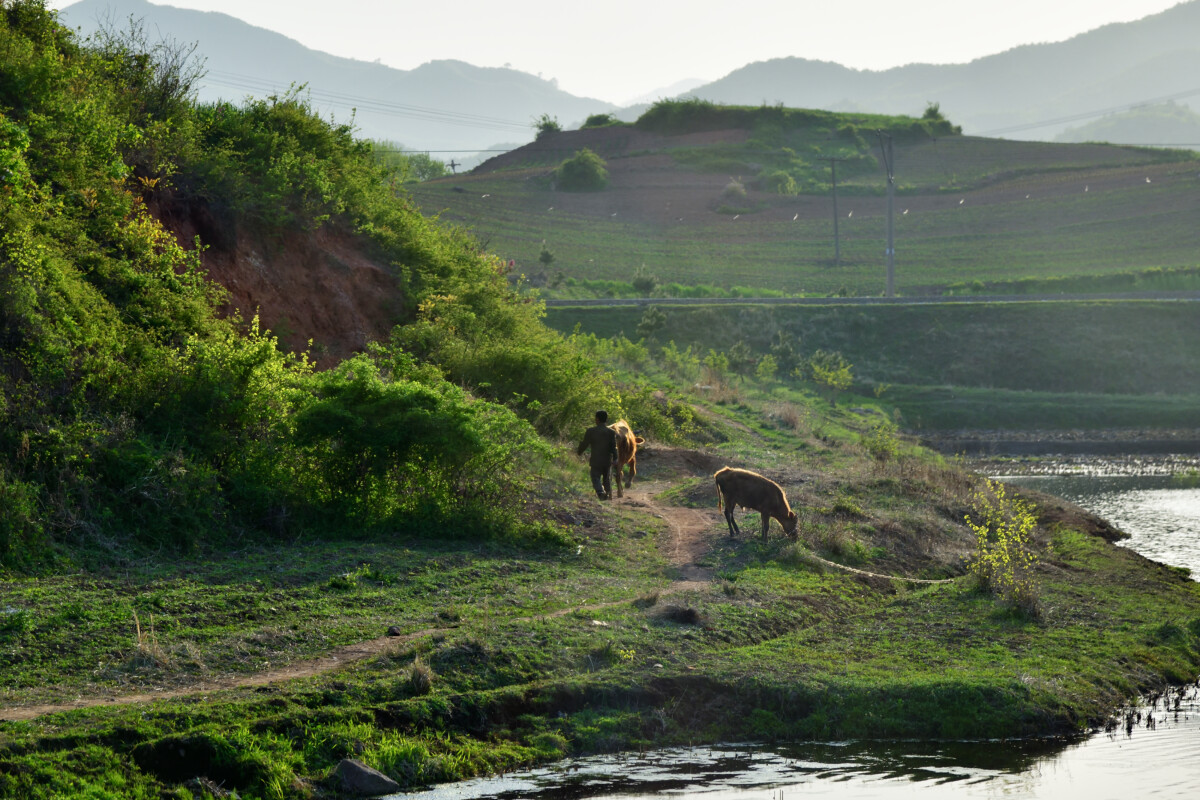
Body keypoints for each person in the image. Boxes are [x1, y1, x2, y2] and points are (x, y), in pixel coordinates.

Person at [576, 409, 618, 500]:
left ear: (597, 419)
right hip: (607, 460)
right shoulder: (611, 432)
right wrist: (615, 458)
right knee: (606, 478)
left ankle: (600, 492)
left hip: (596, 459)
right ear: (606, 419)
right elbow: (613, 447)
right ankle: (607, 493)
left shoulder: (591, 431)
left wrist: (579, 452)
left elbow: (585, 443)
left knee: (595, 477)